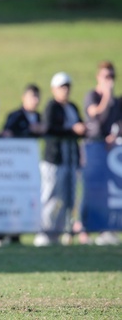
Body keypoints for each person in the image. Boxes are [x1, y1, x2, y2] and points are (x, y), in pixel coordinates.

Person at [34, 72, 86, 247]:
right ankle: (45, 233)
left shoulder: (72, 107)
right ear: (54, 89)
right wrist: (72, 129)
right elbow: (49, 128)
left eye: (67, 86)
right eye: (62, 87)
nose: (65, 90)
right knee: (51, 197)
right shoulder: (51, 107)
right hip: (54, 161)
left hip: (70, 160)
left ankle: (64, 232)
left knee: (69, 198)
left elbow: (81, 128)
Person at [0, 84, 43, 247]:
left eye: (37, 97)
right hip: (11, 168)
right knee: (6, 200)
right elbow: (6, 135)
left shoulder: (39, 118)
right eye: (31, 97)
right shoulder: (15, 116)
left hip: (28, 169)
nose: (35, 100)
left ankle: (16, 235)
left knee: (22, 200)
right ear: (24, 98)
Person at [83, 61, 121, 246]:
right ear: (98, 77)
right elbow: (95, 115)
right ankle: (84, 230)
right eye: (106, 76)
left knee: (107, 192)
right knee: (91, 191)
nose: (110, 80)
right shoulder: (93, 95)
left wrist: (114, 136)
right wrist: (106, 95)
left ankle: (105, 230)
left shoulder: (117, 102)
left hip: (110, 152)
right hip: (94, 149)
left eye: (112, 76)